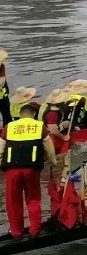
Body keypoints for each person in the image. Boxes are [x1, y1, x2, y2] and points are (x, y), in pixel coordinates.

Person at [0, 101, 58, 240]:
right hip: (32, 169)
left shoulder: (9, 127)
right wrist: (52, 163)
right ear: (33, 115)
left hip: (12, 170)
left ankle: (16, 232)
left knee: (13, 201)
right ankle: (34, 230)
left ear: (20, 115)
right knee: (33, 199)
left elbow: (0, 148)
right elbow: (49, 148)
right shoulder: (39, 126)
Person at [0, 48, 10, 127]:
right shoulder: (1, 67)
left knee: (6, 116)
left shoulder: (2, 66)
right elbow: (2, 82)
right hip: (2, 97)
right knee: (6, 116)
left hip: (3, 95)